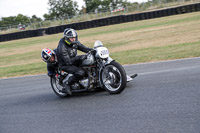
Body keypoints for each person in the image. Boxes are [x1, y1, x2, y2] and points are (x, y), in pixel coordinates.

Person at [56, 28, 93, 95]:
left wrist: (93, 50)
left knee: (89, 63)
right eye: (72, 38)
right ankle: (67, 83)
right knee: (80, 72)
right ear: (67, 38)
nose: (74, 39)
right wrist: (79, 57)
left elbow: (84, 48)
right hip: (65, 64)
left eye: (75, 37)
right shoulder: (62, 48)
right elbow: (68, 62)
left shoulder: (74, 42)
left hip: (73, 60)